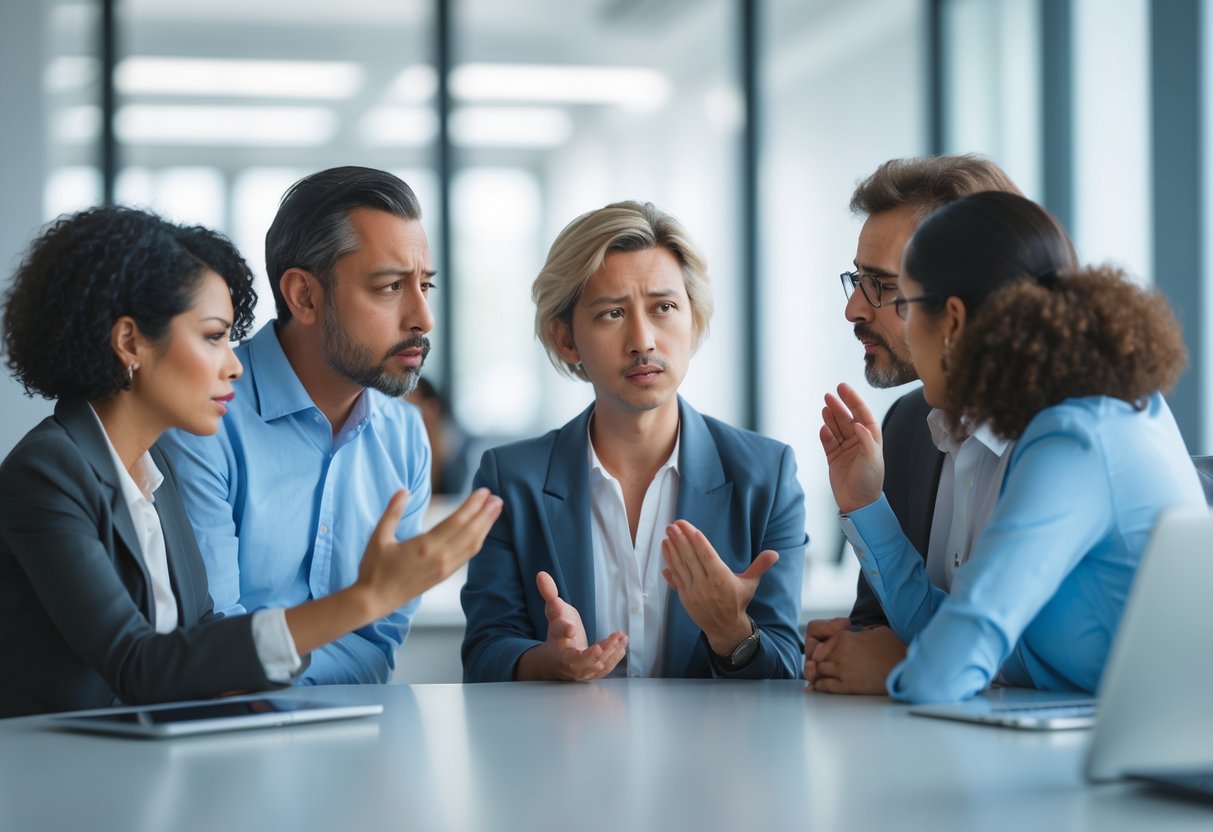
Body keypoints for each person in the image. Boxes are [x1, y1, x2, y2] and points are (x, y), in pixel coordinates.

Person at [0, 206, 501, 717]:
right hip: (53, 772)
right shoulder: (48, 472)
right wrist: (362, 600)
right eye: (214, 337)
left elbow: (201, 640)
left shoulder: (155, 472)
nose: (236, 363)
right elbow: (139, 665)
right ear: (131, 343)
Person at [815, 191, 1203, 703]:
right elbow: (959, 630)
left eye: (905, 305)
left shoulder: (1078, 436)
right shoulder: (1062, 416)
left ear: (952, 321)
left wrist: (904, 666)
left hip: (1166, 759)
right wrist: (868, 505)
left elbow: (944, 669)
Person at [461, 200, 807, 682]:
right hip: (565, 752)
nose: (642, 340)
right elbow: (483, 654)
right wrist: (548, 662)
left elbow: (786, 670)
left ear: (694, 320)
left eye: (664, 308)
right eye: (610, 314)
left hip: (715, 755)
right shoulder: (510, 478)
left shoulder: (765, 476)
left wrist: (732, 632)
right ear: (567, 340)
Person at [159, 166, 449, 684]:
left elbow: (377, 645)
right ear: (305, 297)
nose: (423, 318)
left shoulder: (406, 439)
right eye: (390, 287)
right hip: (230, 740)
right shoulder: (205, 419)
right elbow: (214, 643)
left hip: (353, 735)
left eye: (425, 285)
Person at [804, 155, 1022, 688]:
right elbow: (879, 626)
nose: (854, 309)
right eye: (857, 280)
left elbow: (1049, 653)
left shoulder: (1057, 436)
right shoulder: (906, 426)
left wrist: (909, 662)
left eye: (879, 284)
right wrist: (849, 649)